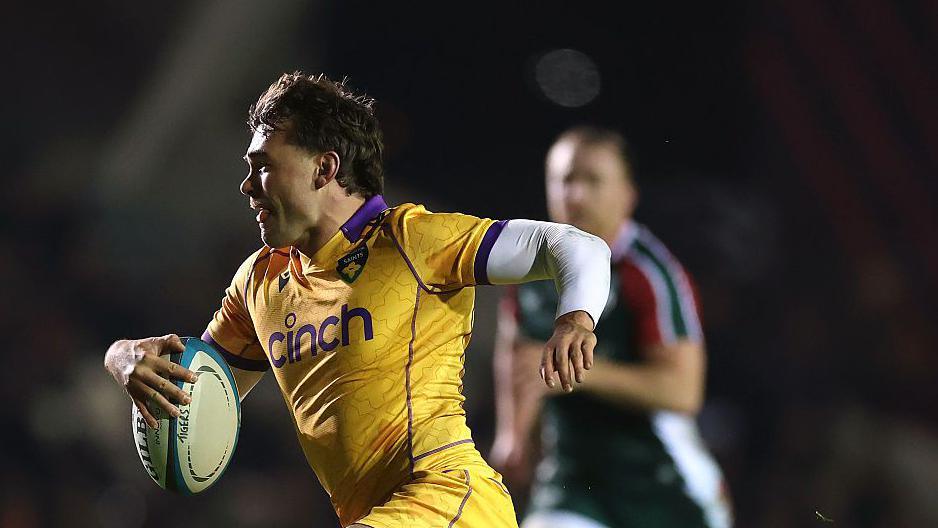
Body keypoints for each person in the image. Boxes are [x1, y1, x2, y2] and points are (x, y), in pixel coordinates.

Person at [103, 72, 612, 528]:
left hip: (453, 502)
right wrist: (123, 357)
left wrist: (575, 319)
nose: (246, 186)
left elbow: (576, 246)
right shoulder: (259, 284)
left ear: (324, 168)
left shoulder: (410, 240)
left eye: (262, 167)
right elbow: (202, 394)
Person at [490, 126, 733, 528]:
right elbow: (515, 351)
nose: (577, 195)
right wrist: (512, 435)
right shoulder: (528, 272)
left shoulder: (652, 276)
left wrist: (578, 370)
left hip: (664, 489)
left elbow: (683, 391)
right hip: (572, 479)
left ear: (628, 196)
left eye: (593, 180)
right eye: (566, 179)